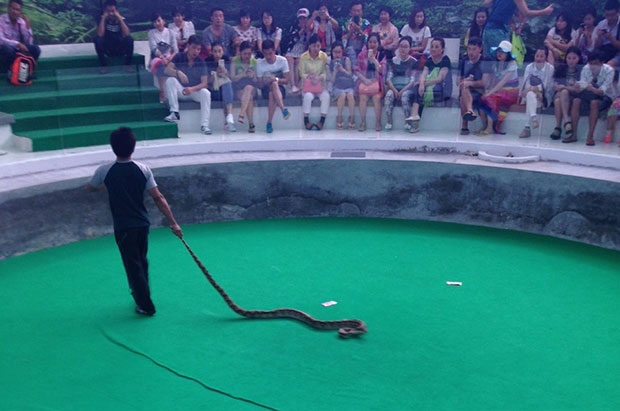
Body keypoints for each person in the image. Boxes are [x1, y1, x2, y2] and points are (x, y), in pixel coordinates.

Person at [86, 126, 183, 316]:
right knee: (141, 261)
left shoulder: (104, 170)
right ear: (133, 146)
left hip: (123, 227)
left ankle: (146, 305)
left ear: (113, 147)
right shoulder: (143, 169)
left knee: (133, 264)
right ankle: (140, 293)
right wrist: (173, 222)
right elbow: (158, 198)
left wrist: (100, 187)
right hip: (142, 224)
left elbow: (90, 187)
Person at [163, 35, 212, 135]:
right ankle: (174, 113)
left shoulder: (201, 62)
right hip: (181, 90)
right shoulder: (179, 56)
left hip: (194, 92)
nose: (196, 51)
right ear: (188, 46)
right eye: (194, 48)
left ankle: (205, 125)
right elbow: (167, 70)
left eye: (198, 49)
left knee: (206, 93)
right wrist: (178, 72)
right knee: (170, 80)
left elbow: (204, 83)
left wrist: (192, 89)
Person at [564, 50, 614, 145]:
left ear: (601, 63)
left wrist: (591, 88)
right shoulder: (586, 68)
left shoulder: (609, 70)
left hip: (605, 97)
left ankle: (590, 136)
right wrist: (578, 87)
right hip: (588, 94)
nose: (593, 66)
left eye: (596, 63)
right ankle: (573, 135)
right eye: (591, 63)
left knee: (594, 103)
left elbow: (603, 91)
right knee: (576, 100)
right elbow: (582, 85)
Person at [482, 0, 553, 60]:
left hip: (488, 29)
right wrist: (545, 11)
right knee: (503, 60)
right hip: (499, 31)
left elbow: (487, 3)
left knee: (489, 62)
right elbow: (526, 13)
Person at [410, 38, 452, 133]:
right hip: (429, 85)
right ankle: (415, 116)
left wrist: (424, 84)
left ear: (442, 49)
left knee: (427, 90)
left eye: (436, 47)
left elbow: (440, 78)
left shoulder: (445, 60)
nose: (433, 49)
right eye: (432, 46)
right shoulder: (429, 60)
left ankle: (415, 120)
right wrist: (421, 84)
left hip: (443, 88)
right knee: (417, 88)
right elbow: (423, 74)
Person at [477, 40, 519, 135]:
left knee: (491, 98)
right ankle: (484, 125)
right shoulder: (496, 64)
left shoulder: (512, 64)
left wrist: (490, 92)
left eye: (503, 52)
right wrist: (487, 90)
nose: (500, 54)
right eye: (499, 51)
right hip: (499, 90)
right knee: (482, 98)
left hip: (510, 91)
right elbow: (493, 81)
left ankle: (490, 128)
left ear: (508, 54)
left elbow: (503, 82)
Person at [256, 39, 292, 133]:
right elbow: (259, 85)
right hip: (265, 89)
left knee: (273, 89)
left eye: (270, 53)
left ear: (274, 51)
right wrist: (264, 81)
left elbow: (287, 80)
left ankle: (269, 122)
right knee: (272, 90)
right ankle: (283, 109)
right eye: (265, 54)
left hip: (280, 89)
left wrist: (275, 80)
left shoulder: (282, 61)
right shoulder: (259, 63)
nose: (268, 57)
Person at [518, 47, 554, 138]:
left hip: (545, 96)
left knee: (530, 95)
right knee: (530, 95)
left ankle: (527, 128)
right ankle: (533, 119)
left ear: (545, 57)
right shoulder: (529, 67)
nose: (538, 59)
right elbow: (525, 86)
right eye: (537, 56)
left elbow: (546, 86)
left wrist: (535, 90)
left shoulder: (550, 68)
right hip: (532, 95)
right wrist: (536, 91)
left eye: (541, 56)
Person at [384, 36, 418, 131]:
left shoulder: (414, 62)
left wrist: (402, 91)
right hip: (394, 88)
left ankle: (407, 122)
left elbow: (412, 80)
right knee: (388, 96)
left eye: (406, 46)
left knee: (404, 96)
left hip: (407, 89)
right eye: (401, 46)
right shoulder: (393, 61)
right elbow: (388, 79)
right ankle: (389, 122)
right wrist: (394, 90)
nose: (403, 49)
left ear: (410, 48)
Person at [459, 37, 491, 135]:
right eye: (469, 49)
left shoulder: (486, 61)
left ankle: (465, 126)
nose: (471, 52)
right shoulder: (464, 61)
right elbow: (458, 82)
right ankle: (469, 110)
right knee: (463, 88)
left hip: (482, 91)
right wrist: (466, 81)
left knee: (463, 94)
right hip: (468, 91)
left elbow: (484, 82)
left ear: (480, 49)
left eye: (474, 49)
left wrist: (471, 83)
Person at [355, 33, 386, 132]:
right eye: (370, 42)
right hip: (364, 82)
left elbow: (382, 71)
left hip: (377, 83)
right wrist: (365, 80)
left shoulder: (381, 55)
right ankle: (362, 122)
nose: (372, 44)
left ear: (378, 44)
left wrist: (373, 60)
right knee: (363, 98)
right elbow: (356, 70)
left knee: (377, 99)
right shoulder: (362, 54)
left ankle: (378, 122)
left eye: (375, 42)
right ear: (367, 43)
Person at [550, 47, 583, 140]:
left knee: (558, 100)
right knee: (562, 94)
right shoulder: (561, 69)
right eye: (569, 58)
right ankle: (567, 122)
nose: (571, 61)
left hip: (574, 96)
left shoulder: (581, 71)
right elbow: (556, 86)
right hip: (560, 94)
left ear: (579, 58)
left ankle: (558, 128)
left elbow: (578, 89)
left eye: (574, 58)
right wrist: (564, 88)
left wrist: (565, 87)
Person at [0, 0, 41, 74]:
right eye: (13, 8)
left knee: (36, 49)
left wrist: (28, 27)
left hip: (17, 52)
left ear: (20, 12)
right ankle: (9, 72)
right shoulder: (1, 20)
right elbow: (1, 40)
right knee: (7, 49)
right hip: (5, 51)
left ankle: (27, 72)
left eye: (17, 10)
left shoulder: (21, 22)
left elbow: (29, 42)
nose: (14, 12)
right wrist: (17, 44)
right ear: (8, 8)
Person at [299, 34, 330, 130]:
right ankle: (306, 120)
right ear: (309, 46)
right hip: (308, 85)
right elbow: (301, 73)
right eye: (314, 46)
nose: (316, 48)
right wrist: (310, 77)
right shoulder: (303, 57)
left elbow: (325, 72)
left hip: (320, 85)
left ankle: (322, 121)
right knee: (308, 97)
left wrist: (319, 78)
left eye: (318, 46)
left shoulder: (324, 56)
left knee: (326, 96)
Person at [95, 0, 134, 74]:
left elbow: (127, 34)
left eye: (112, 11)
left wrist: (119, 19)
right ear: (105, 11)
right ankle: (104, 66)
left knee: (130, 39)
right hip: (108, 48)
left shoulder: (122, 19)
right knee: (97, 40)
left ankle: (128, 65)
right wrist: (103, 18)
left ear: (116, 10)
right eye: (108, 11)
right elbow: (100, 34)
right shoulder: (101, 19)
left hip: (119, 48)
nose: (110, 13)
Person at [148, 12, 178, 103]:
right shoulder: (151, 33)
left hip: (170, 57)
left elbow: (175, 49)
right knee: (161, 64)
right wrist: (163, 58)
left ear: (163, 21)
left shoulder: (170, 32)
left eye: (158, 21)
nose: (157, 23)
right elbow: (154, 49)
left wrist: (170, 58)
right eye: (155, 22)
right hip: (157, 58)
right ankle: (162, 90)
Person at [205, 42, 235, 132]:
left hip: (226, 91)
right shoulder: (207, 61)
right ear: (211, 52)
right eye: (215, 51)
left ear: (223, 51)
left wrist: (225, 71)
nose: (217, 54)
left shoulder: (227, 60)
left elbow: (232, 79)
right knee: (226, 84)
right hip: (213, 91)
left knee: (227, 83)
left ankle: (229, 117)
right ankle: (229, 118)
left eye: (219, 51)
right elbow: (206, 81)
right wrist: (216, 73)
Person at [284, 8, 313, 93]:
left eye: (304, 18)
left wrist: (307, 30)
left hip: (303, 50)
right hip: (293, 48)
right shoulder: (294, 27)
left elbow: (308, 42)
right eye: (300, 18)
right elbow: (293, 39)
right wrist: (302, 29)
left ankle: (297, 84)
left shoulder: (311, 28)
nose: (302, 20)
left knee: (299, 61)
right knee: (289, 59)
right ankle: (293, 85)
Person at [328, 41, 355, 130]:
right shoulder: (329, 63)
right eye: (335, 52)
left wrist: (343, 70)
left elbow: (350, 74)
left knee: (350, 95)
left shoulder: (346, 60)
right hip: (337, 86)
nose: (337, 54)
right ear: (332, 52)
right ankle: (339, 117)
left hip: (348, 85)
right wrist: (335, 71)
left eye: (339, 52)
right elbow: (332, 80)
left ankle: (352, 117)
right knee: (342, 95)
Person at [231, 41, 257, 132]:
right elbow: (232, 78)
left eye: (249, 54)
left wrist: (253, 76)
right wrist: (243, 74)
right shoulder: (235, 61)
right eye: (245, 54)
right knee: (248, 97)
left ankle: (241, 114)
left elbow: (256, 80)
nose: (247, 56)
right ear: (240, 53)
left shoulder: (254, 62)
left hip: (252, 87)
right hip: (239, 88)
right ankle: (251, 124)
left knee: (249, 88)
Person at [342, 1, 371, 68]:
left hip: (363, 48)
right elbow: (343, 39)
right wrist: (350, 32)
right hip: (350, 48)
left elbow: (367, 38)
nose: (356, 13)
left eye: (358, 11)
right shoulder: (346, 24)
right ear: (350, 11)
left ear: (362, 11)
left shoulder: (366, 23)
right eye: (354, 11)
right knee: (351, 51)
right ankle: (355, 71)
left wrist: (359, 30)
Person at [593, 0, 620, 67]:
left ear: (618, 12)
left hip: (617, 53)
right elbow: (596, 46)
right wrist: (599, 37)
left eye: (612, 15)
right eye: (607, 15)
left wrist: (611, 38)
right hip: (603, 52)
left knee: (608, 66)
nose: (609, 18)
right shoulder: (602, 24)